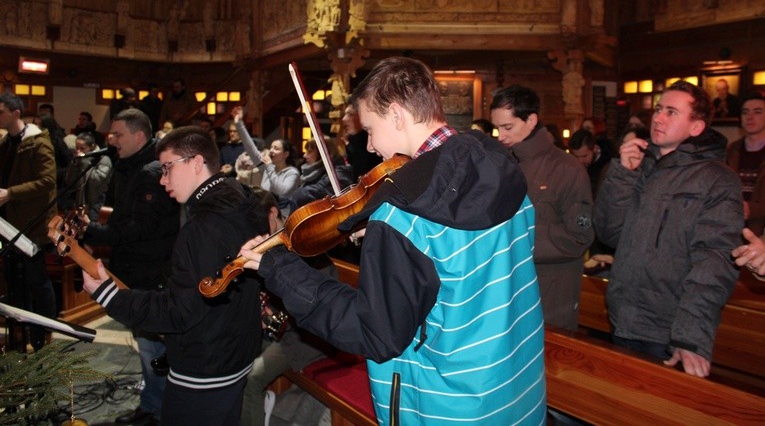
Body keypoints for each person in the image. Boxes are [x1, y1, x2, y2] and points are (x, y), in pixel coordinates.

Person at [238, 57, 546, 424]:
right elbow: (469, 265)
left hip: (446, 408)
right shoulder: (503, 171)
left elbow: (371, 333)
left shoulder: (402, 218)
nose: (369, 146)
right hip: (515, 389)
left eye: (369, 128)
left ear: (397, 115)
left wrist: (282, 270)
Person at [83, 127, 268, 425]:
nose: (162, 179)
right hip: (235, 351)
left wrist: (109, 295)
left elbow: (181, 311)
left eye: (168, 168)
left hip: (205, 365)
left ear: (196, 163)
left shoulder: (203, 228)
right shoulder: (242, 201)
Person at [595, 81, 743, 377]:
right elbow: (610, 234)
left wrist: (690, 335)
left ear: (696, 127)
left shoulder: (717, 180)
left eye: (672, 112)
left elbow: (714, 263)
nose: (658, 118)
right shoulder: (643, 167)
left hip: (668, 330)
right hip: (624, 317)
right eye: (659, 109)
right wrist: (623, 175)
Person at [81, 108, 180, 424]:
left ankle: (156, 410)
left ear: (139, 136)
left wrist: (93, 232)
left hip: (151, 273)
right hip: (139, 269)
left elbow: (140, 230)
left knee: (152, 348)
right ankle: (154, 404)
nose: (111, 139)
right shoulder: (130, 167)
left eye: (118, 134)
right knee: (147, 346)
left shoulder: (151, 171)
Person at [490, 85, 594, 331]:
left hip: (550, 295)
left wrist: (517, 241)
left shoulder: (566, 169)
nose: (501, 136)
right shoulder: (503, 165)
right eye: (497, 129)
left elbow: (579, 236)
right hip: (508, 290)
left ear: (531, 120)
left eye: (507, 127)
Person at [240, 187, 335, 426]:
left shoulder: (304, 243)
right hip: (283, 330)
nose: (257, 235)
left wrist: (274, 312)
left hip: (306, 337)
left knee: (251, 379)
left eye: (260, 225)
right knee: (236, 355)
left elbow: (316, 304)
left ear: (273, 213)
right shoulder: (270, 244)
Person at [0, 92, 58, 352]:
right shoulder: (6, 143)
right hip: (9, 223)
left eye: (1, 112)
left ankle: (43, 333)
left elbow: (47, 181)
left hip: (32, 224)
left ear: (15, 113)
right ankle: (19, 336)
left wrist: (10, 193)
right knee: (14, 281)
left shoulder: (37, 142)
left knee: (37, 280)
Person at [281, 136, 354, 215]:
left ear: (322, 153)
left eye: (309, 151)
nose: (304, 156)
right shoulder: (315, 172)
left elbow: (312, 192)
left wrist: (297, 195)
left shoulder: (339, 173)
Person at [727, 92, 765, 235]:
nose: (750, 117)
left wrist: (750, 209)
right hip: (730, 229)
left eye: (757, 112)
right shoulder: (731, 150)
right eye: (745, 112)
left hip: (760, 232)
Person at [63, 132, 113, 222]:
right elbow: (69, 181)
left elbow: (97, 181)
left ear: (92, 146)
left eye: (83, 148)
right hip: (79, 201)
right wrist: (73, 164)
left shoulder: (103, 159)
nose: (79, 151)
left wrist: (85, 163)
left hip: (96, 203)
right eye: (77, 148)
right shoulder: (79, 159)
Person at [341, 103, 381, 181]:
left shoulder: (372, 148)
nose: (344, 119)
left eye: (351, 114)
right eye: (345, 114)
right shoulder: (355, 145)